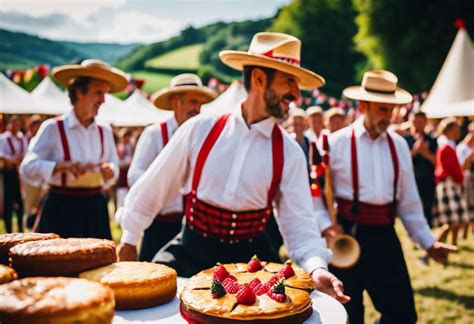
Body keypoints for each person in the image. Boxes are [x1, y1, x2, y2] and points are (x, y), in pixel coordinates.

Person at [117, 32, 350, 304]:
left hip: (252, 267)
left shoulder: (289, 152)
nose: (297, 94)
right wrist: (130, 239)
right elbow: (153, 187)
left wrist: (316, 266)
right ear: (259, 79)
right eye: (289, 81)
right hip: (190, 254)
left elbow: (300, 225)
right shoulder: (199, 129)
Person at [320, 70, 457, 323]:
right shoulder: (336, 143)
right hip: (346, 235)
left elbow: (409, 203)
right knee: (347, 315)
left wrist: (429, 243)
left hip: (384, 234)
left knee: (403, 313)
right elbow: (317, 195)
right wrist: (327, 226)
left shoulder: (399, 145)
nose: (389, 116)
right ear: (363, 106)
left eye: (392, 109)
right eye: (382, 109)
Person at [20, 59, 128, 239]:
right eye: (98, 93)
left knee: (98, 263)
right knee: (56, 264)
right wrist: (59, 166)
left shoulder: (105, 130)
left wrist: (110, 171)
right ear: (79, 92)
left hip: (95, 208)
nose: (103, 100)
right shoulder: (53, 128)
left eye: (105, 94)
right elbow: (27, 168)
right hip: (61, 207)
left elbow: (114, 166)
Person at [127, 73, 217, 262]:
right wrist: (161, 184)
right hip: (158, 223)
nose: (197, 109)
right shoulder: (153, 134)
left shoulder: (204, 136)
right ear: (176, 102)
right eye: (193, 102)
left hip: (191, 227)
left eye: (200, 104)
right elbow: (134, 175)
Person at [432, 118, 471, 246]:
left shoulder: (448, 145)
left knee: (454, 220)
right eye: (456, 128)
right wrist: (460, 178)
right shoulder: (446, 147)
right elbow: (453, 169)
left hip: (450, 184)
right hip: (449, 184)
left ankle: (450, 245)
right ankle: (434, 246)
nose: (459, 131)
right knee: (451, 221)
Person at [403, 109, 437, 227]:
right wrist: (415, 151)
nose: (418, 124)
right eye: (415, 122)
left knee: (427, 207)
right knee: (412, 209)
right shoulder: (405, 140)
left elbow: (437, 162)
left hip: (428, 180)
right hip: (411, 180)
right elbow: (403, 161)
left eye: (421, 121)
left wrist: (426, 153)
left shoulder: (432, 140)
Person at [1, 115, 27, 233]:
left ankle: (21, 227)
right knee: (8, 202)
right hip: (9, 172)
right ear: (10, 125)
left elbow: (26, 152)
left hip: (19, 173)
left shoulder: (22, 138)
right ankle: (9, 229)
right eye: (14, 124)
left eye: (18, 125)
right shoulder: (3, 138)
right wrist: (11, 160)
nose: (16, 127)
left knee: (20, 202)